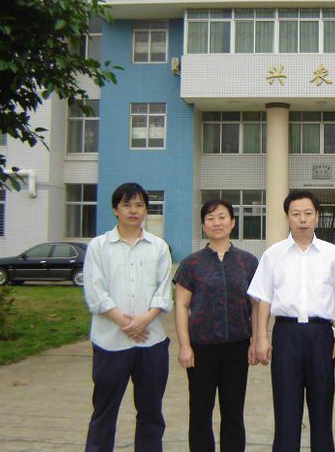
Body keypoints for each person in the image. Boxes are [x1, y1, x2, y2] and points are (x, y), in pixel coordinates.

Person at [248, 190, 335, 452]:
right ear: (287, 218)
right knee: (286, 408)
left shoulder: (332, 254)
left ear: (316, 216)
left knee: (322, 406)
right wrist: (261, 337)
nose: (302, 219)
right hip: (286, 335)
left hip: (321, 335)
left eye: (307, 213)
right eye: (296, 214)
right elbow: (263, 298)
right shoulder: (273, 254)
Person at [83, 182, 173, 452]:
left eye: (139, 205)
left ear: (146, 210)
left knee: (151, 412)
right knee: (104, 410)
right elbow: (95, 291)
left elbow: (164, 291)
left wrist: (144, 321)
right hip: (110, 342)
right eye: (127, 205)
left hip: (151, 342)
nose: (133, 210)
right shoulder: (99, 247)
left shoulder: (158, 247)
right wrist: (125, 323)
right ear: (115, 209)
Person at [173, 199, 259, 452]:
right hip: (201, 347)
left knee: (233, 411)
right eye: (210, 218)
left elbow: (257, 305)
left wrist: (256, 340)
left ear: (232, 222)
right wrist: (185, 346)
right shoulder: (191, 264)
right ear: (203, 225)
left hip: (237, 346)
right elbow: (181, 306)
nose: (216, 223)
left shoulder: (248, 262)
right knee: (200, 411)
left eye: (222, 217)